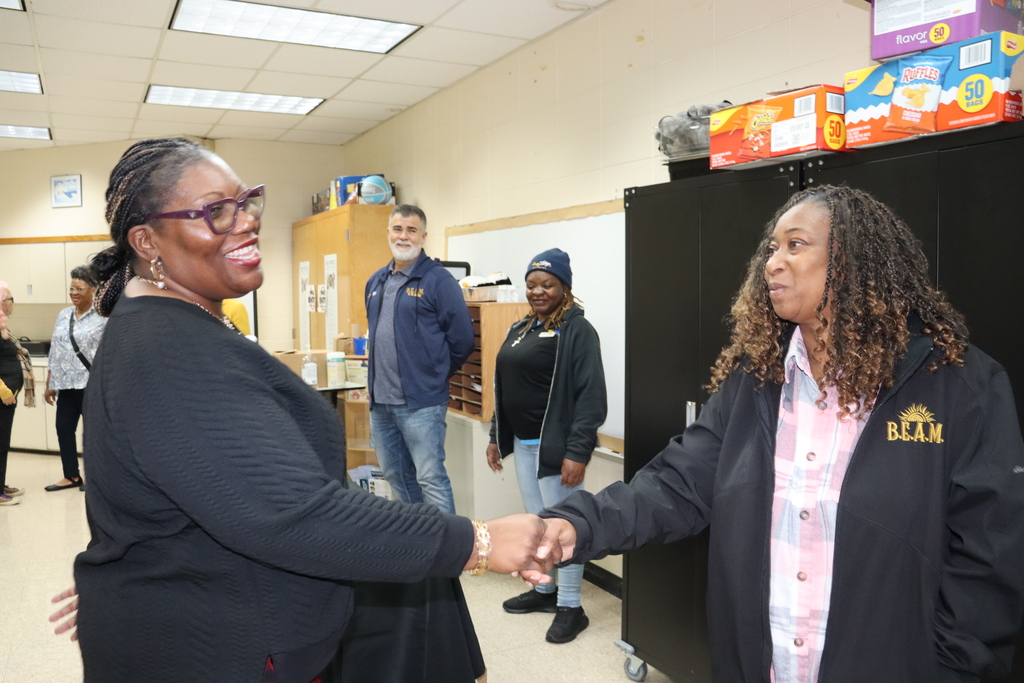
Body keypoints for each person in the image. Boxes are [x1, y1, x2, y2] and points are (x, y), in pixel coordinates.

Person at [56, 138, 559, 683]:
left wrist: (130, 568)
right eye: (215, 212)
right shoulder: (167, 349)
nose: (246, 221)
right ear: (147, 240)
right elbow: (296, 514)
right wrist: (478, 541)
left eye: (246, 201)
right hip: (214, 649)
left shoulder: (175, 325)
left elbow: (179, 484)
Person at [535, 186, 1024, 682]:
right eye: (771, 248)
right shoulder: (756, 380)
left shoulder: (960, 386)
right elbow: (675, 485)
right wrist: (575, 525)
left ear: (854, 259)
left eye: (796, 244)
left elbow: (990, 560)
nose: (773, 262)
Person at [486, 248, 607, 643]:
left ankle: (571, 607)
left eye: (548, 284)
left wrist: (577, 452)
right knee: (537, 521)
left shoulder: (577, 330)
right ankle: (545, 590)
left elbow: (591, 396)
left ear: (565, 287)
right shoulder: (522, 328)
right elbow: (504, 386)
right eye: (532, 284)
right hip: (523, 443)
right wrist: (495, 436)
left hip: (555, 449)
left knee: (562, 527)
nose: (538, 291)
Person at [364, 205, 474, 514]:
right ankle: (421, 549)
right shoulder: (375, 282)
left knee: (431, 480)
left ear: (423, 236)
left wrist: (433, 374)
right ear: (388, 232)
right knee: (396, 476)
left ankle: (451, 557)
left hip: (421, 405)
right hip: (381, 405)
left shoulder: (438, 281)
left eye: (411, 230)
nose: (403, 236)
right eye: (398, 229)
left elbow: (463, 339)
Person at [44, 265, 106, 492]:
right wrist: (51, 382)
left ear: (93, 290)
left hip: (92, 386)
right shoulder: (64, 315)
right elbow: (55, 351)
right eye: (71, 288)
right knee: (63, 428)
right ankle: (71, 476)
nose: (74, 292)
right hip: (66, 385)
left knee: (93, 435)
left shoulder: (103, 317)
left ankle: (97, 478)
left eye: (79, 288)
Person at [0, 281, 35, 506]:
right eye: (11, 299)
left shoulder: (2, 326)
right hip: (2, 396)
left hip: (7, 396)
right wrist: (3, 391)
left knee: (3, 442)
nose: (13, 303)